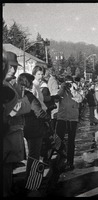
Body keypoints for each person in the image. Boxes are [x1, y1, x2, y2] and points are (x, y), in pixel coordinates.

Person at [3, 51, 31, 197]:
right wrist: (26, 102)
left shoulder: (9, 84)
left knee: (8, 167)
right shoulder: (4, 85)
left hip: (13, 131)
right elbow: (13, 109)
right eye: (10, 66)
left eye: (15, 67)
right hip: (8, 132)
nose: (13, 70)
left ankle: (9, 188)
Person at [17, 73, 51, 190]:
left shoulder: (19, 96)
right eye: (31, 82)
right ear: (27, 83)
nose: (32, 84)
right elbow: (39, 112)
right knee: (34, 155)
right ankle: (32, 182)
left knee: (31, 154)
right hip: (35, 128)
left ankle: (31, 180)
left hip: (26, 128)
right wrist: (47, 117)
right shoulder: (30, 97)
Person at [55, 75, 83, 171]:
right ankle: (59, 160)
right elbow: (57, 98)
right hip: (62, 117)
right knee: (59, 140)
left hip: (72, 118)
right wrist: (62, 87)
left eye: (70, 82)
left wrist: (73, 90)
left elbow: (80, 99)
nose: (68, 84)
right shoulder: (61, 89)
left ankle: (70, 162)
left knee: (71, 141)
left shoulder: (76, 89)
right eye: (66, 82)